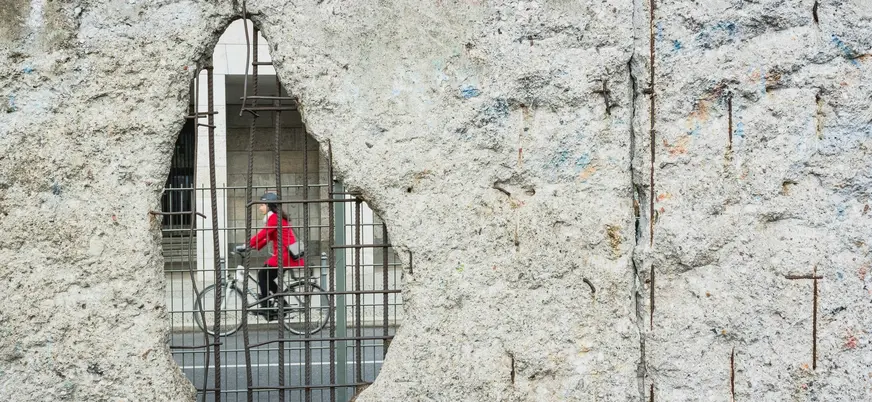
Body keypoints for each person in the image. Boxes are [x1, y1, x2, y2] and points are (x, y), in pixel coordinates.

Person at [247, 192, 305, 320]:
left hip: (285, 255)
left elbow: (264, 233)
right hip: (284, 255)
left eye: (262, 205)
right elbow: (267, 237)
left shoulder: (275, 218)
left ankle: (267, 307)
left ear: (268, 205)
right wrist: (253, 247)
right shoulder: (275, 218)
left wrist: (247, 244)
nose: (259, 207)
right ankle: (280, 305)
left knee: (263, 275)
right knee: (266, 277)